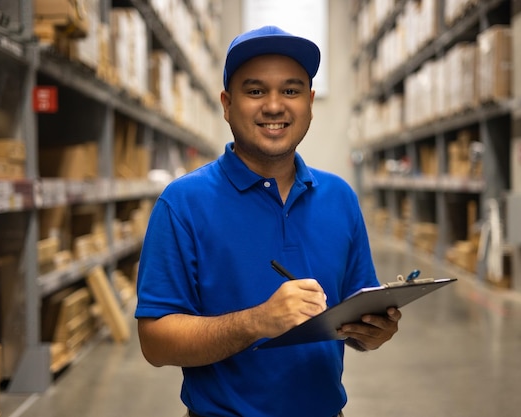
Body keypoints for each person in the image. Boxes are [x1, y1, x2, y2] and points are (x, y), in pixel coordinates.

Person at [135, 25, 401, 417]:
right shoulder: (183, 203)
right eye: (255, 91)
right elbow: (155, 342)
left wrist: (374, 333)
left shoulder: (339, 197)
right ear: (227, 104)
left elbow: (355, 318)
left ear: (310, 102)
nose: (274, 106)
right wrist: (257, 321)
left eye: (291, 91)